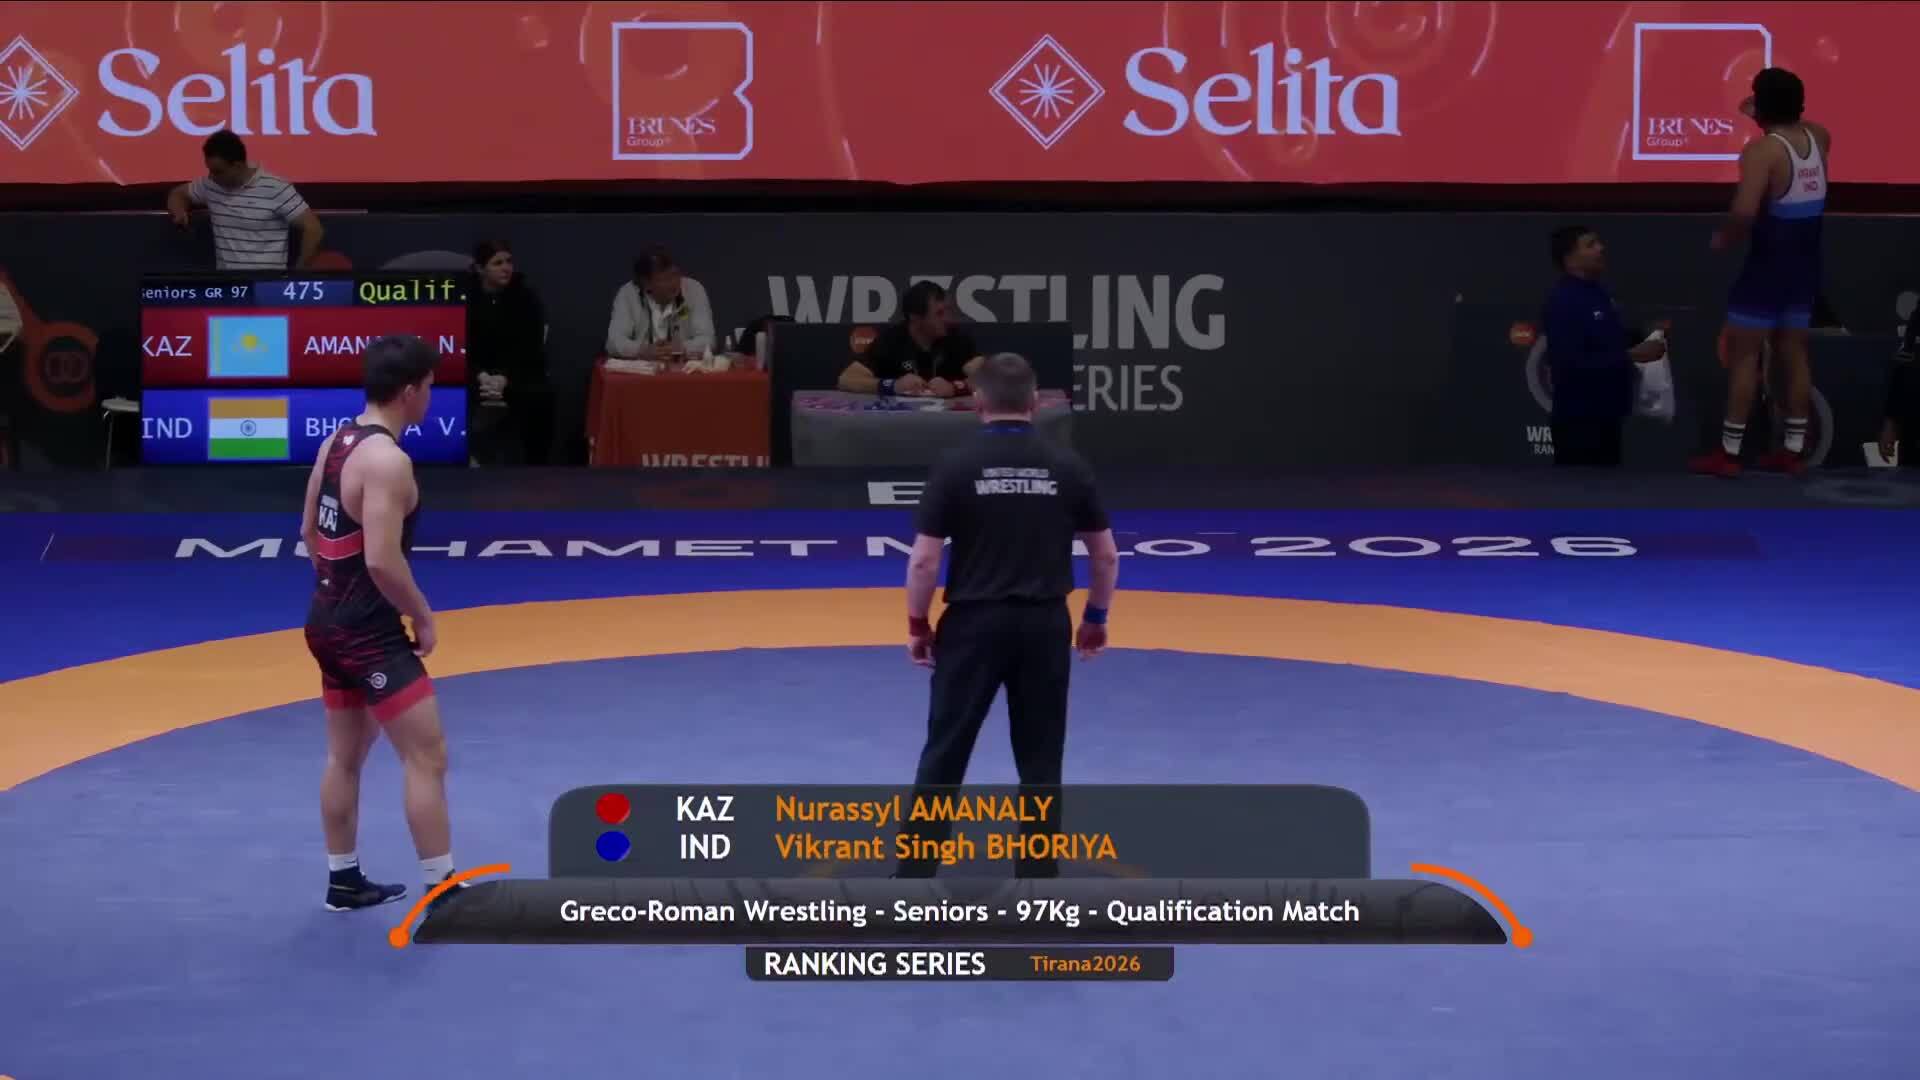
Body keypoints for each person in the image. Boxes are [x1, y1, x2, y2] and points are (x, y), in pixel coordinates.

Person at [893, 353, 1120, 878]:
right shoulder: (1068, 466)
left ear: (978, 402)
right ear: (1036, 403)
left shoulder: (955, 465)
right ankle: (1038, 882)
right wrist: (1095, 616)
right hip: (1044, 625)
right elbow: (1105, 556)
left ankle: (914, 878)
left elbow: (924, 561)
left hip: (973, 625)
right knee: (1040, 758)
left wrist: (918, 625)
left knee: (946, 750)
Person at [301, 335, 461, 912]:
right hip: (368, 634)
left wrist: (336, 596)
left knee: (344, 757)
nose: (432, 398)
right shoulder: (388, 461)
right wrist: (422, 615)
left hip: (326, 621)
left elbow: (309, 532)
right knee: (427, 755)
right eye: (431, 387)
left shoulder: (337, 442)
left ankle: (343, 880)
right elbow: (381, 560)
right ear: (410, 390)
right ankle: (442, 891)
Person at [1691, 68, 1830, 478]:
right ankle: (1793, 449)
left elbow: (1745, 212)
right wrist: (1766, 111)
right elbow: (1791, 124)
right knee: (1794, 354)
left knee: (1745, 358)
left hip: (1767, 266)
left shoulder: (1761, 152)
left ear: (1762, 105)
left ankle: (1729, 453)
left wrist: (1724, 239)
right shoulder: (1820, 137)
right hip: (1805, 264)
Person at [1541, 226, 1669, 466]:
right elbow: (1568, 363)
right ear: (1570, 259)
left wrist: (1645, 333)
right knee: (1579, 489)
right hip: (1578, 422)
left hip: (1609, 417)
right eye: (1590, 245)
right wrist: (1631, 355)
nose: (1601, 248)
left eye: (1598, 243)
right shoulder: (1562, 301)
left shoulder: (1600, 293)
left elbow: (1607, 339)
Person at [165, 129, 323, 271]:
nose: (211, 176)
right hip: (229, 286)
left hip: (265, 286)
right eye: (209, 170)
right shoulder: (210, 185)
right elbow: (177, 194)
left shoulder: (276, 188)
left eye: (218, 171)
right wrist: (178, 211)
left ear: (238, 166)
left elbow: (313, 229)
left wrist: (298, 274)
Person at [466, 240, 554, 465]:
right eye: (497, 263)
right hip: (475, 375)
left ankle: (535, 467)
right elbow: (459, 347)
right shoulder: (465, 298)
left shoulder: (526, 298)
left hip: (516, 375)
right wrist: (480, 376)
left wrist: (505, 378)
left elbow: (531, 349)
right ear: (480, 269)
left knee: (540, 395)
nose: (506, 268)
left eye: (509, 261)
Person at [838, 281, 982, 398]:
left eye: (948, 310)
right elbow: (846, 379)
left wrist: (955, 388)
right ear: (915, 317)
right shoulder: (891, 340)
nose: (947, 319)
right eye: (939, 314)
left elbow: (988, 378)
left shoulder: (957, 338)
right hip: (899, 421)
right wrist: (893, 386)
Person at [606, 248, 716, 362]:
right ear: (646, 283)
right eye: (666, 278)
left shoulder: (694, 290)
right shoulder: (628, 294)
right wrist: (641, 351)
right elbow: (613, 342)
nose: (674, 282)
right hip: (642, 369)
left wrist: (681, 348)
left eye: (676, 274)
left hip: (681, 367)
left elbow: (708, 339)